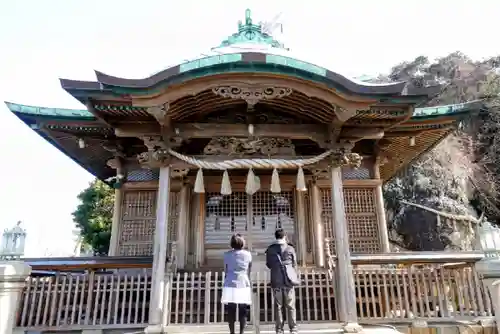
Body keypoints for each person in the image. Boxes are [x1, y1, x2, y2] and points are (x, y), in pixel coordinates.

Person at [265, 228, 298, 334]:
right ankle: (293, 328)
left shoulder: (270, 249)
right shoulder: (290, 248)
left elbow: (269, 264)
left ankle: (279, 329)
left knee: (278, 306)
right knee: (290, 305)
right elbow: (294, 264)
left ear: (275, 237)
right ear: (284, 236)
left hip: (276, 279)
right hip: (289, 280)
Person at [221, 234, 252, 334]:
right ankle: (242, 332)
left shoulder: (227, 255)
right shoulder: (248, 254)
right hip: (243, 282)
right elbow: (249, 269)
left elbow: (225, 269)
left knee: (231, 309)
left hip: (230, 282)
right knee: (243, 310)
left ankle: (232, 332)